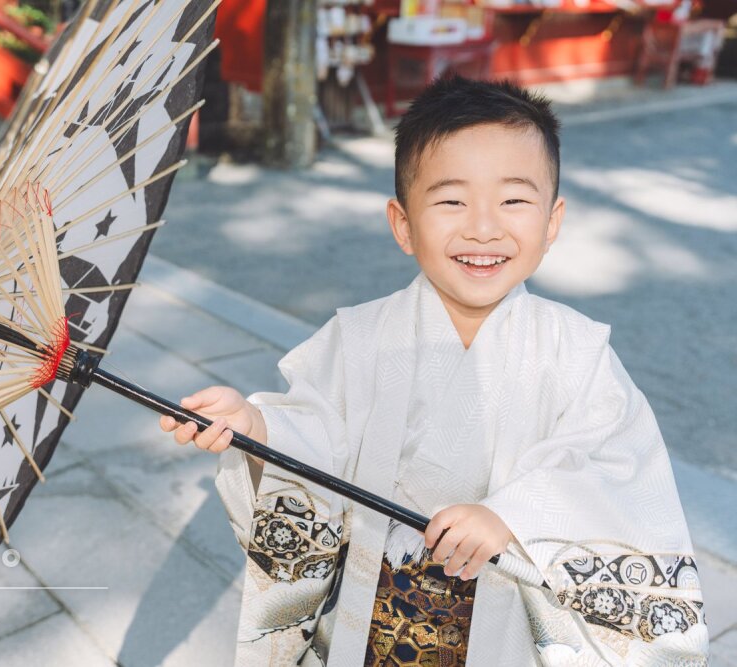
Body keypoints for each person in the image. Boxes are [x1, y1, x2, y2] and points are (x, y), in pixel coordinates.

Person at [159, 76, 708, 666]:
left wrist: (511, 516)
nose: (483, 227)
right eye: (451, 201)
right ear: (402, 223)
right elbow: (318, 432)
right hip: (377, 615)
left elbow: (614, 472)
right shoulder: (361, 335)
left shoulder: (575, 351)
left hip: (504, 627)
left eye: (514, 201)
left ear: (552, 222)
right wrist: (254, 428)